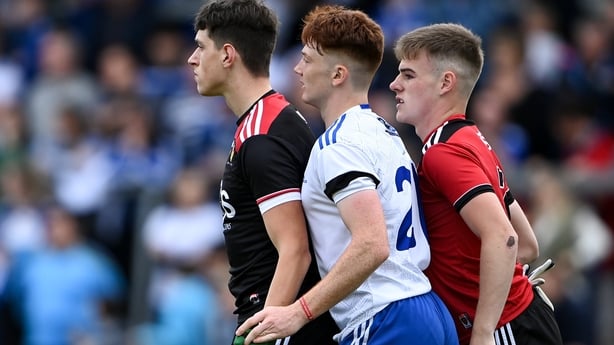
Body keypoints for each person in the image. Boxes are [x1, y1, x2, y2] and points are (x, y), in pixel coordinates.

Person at [236, 5, 458, 345]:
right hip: (421, 306)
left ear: (338, 75)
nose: (297, 68)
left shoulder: (340, 145)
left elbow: (372, 244)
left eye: (308, 59)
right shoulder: (382, 130)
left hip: (386, 315)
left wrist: (299, 312)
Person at [389, 23, 563, 345]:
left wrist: (482, 332)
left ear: (446, 82)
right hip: (522, 319)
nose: (394, 84)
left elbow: (505, 238)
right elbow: (527, 244)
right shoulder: (470, 139)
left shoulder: (443, 153)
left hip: (504, 328)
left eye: (409, 75)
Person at [186, 1, 339, 344]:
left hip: (279, 320)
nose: (192, 59)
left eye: (200, 47)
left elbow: (296, 248)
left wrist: (263, 332)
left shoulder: (262, 135)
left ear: (228, 55)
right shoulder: (268, 119)